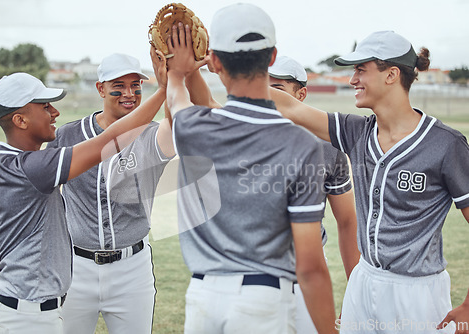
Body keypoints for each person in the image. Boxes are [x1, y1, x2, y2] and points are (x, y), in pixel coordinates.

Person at [271, 30, 469, 333]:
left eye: (361, 70)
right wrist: (227, 65)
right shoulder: (356, 131)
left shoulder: (446, 144)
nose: (352, 80)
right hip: (363, 284)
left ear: (391, 74)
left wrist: (468, 305)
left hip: (417, 293)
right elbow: (291, 108)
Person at [165, 4, 338, 333]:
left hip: (202, 295)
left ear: (215, 61)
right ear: (272, 57)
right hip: (263, 299)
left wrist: (179, 71)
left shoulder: (193, 126)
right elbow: (312, 266)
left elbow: (177, 99)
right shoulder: (301, 145)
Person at [0, 69, 166, 333]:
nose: (55, 112)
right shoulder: (34, 168)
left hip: (8, 306)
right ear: (20, 120)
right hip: (27, 318)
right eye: (45, 106)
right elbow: (107, 141)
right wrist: (165, 89)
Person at [46, 52, 174, 334]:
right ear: (100, 88)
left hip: (133, 269)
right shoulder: (67, 136)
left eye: (136, 85)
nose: (128, 93)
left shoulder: (152, 134)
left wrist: (174, 79)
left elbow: (177, 120)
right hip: (76, 268)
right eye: (119, 84)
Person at [269, 55, 360, 333]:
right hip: (254, 268)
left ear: (301, 94)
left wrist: (354, 293)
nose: (267, 96)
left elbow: (346, 222)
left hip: (307, 268)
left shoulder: (327, 147)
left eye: (277, 89)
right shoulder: (242, 137)